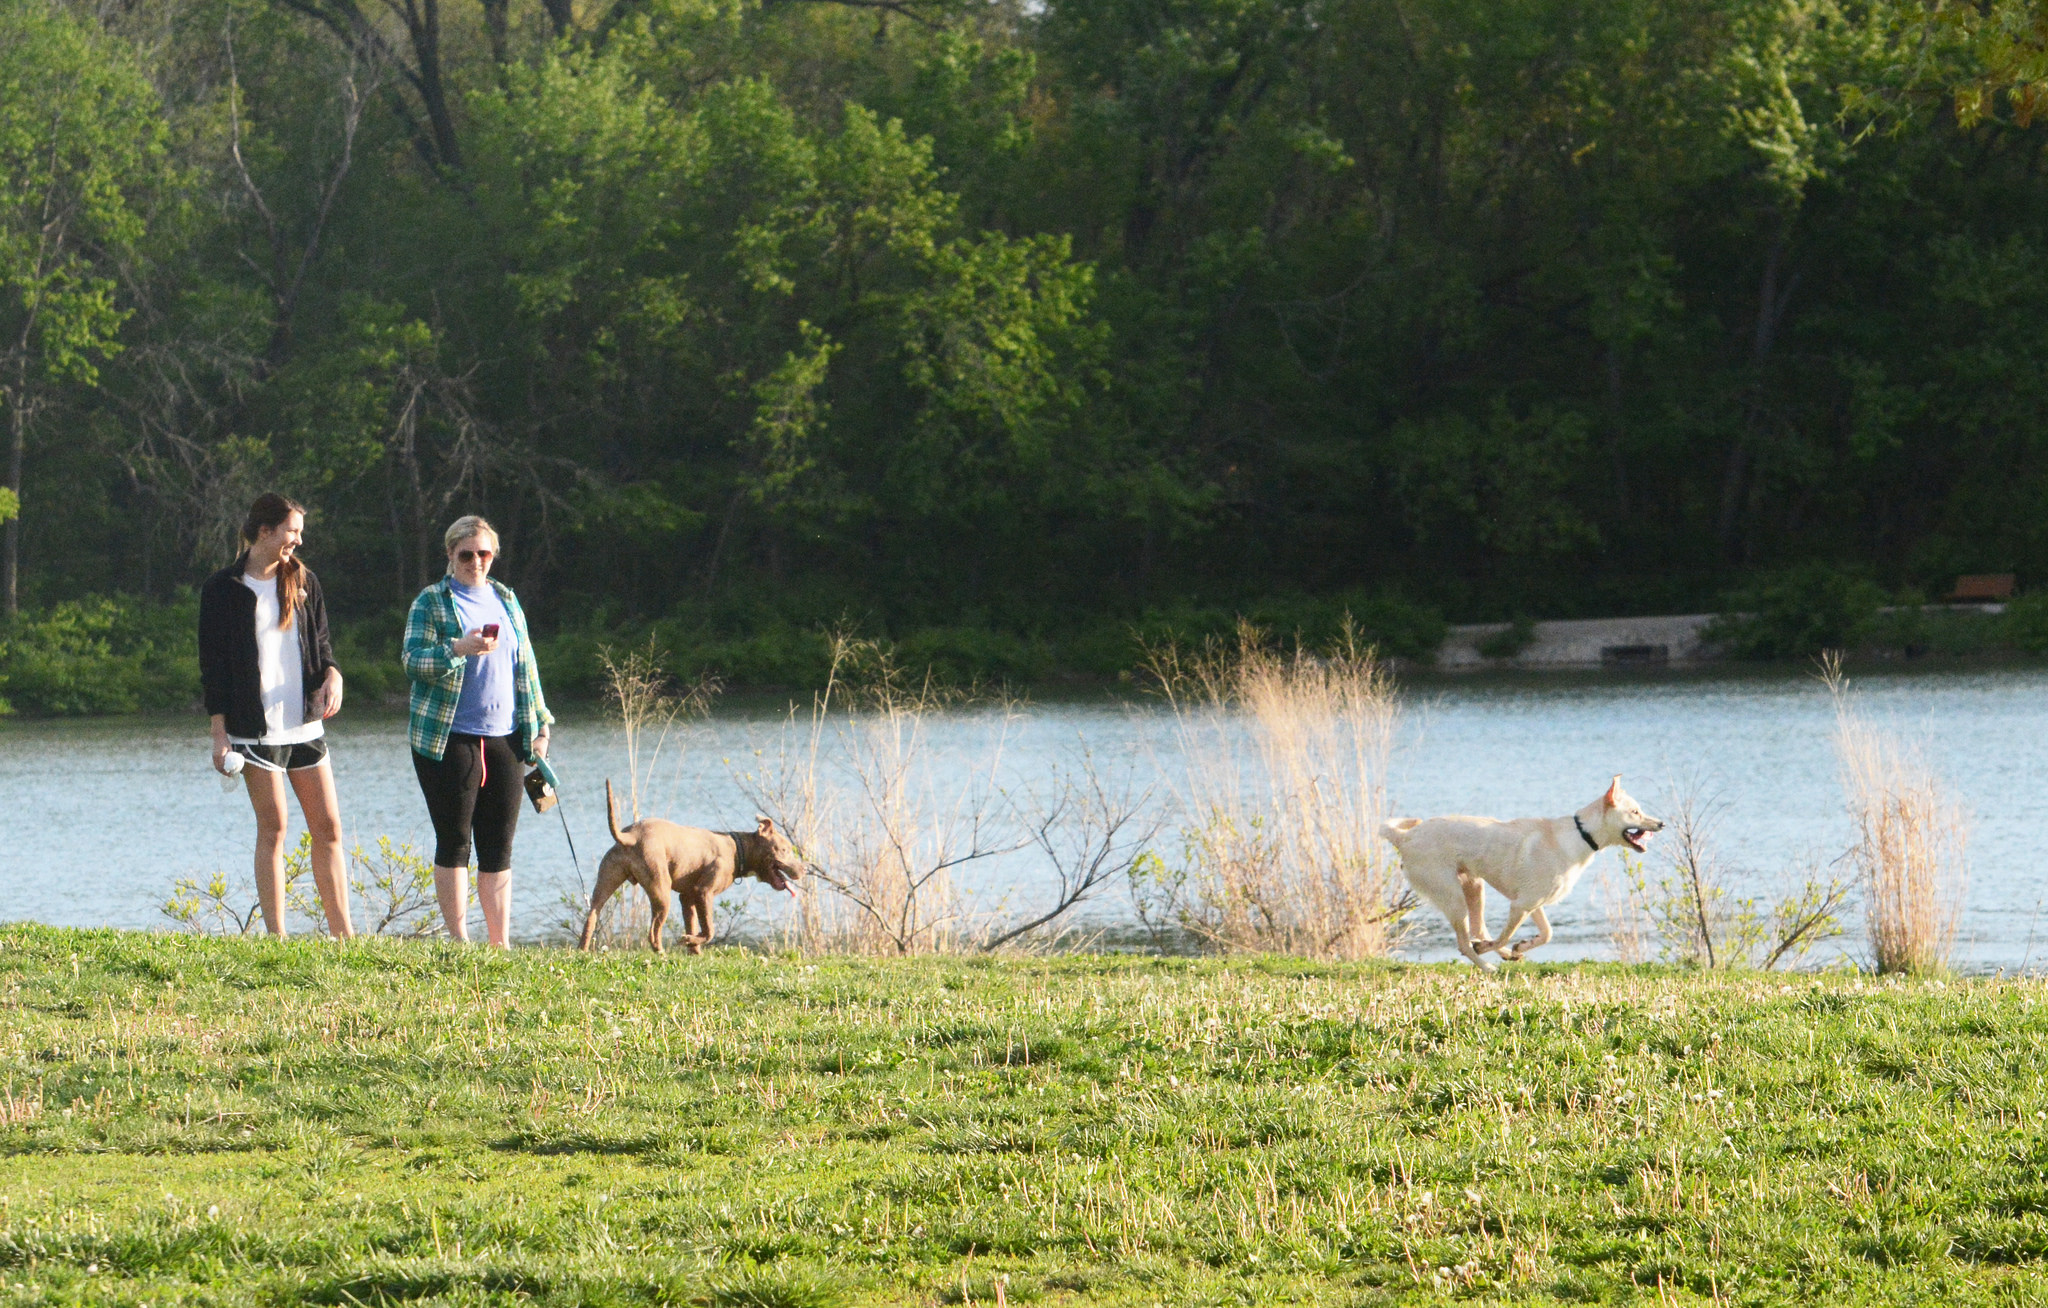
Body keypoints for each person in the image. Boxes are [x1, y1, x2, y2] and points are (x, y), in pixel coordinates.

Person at [197, 493, 355, 938]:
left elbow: (322, 646)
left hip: (305, 725)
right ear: (265, 531)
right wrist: (219, 734)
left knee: (329, 828)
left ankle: (344, 936)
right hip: (253, 731)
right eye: (292, 531)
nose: (298, 541)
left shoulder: (304, 580)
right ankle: (277, 938)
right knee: (275, 828)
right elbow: (213, 668)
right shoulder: (222, 589)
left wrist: (334, 675)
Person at [402, 514, 553, 947]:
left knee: (499, 845)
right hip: (448, 738)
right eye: (466, 555)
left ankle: (498, 943)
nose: (476, 562)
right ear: (450, 554)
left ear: (494, 555)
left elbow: (527, 666)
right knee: (455, 840)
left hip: (506, 737)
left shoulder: (506, 598)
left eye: (483, 553)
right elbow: (412, 661)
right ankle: (460, 940)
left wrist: (541, 725)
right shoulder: (431, 602)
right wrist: (458, 648)